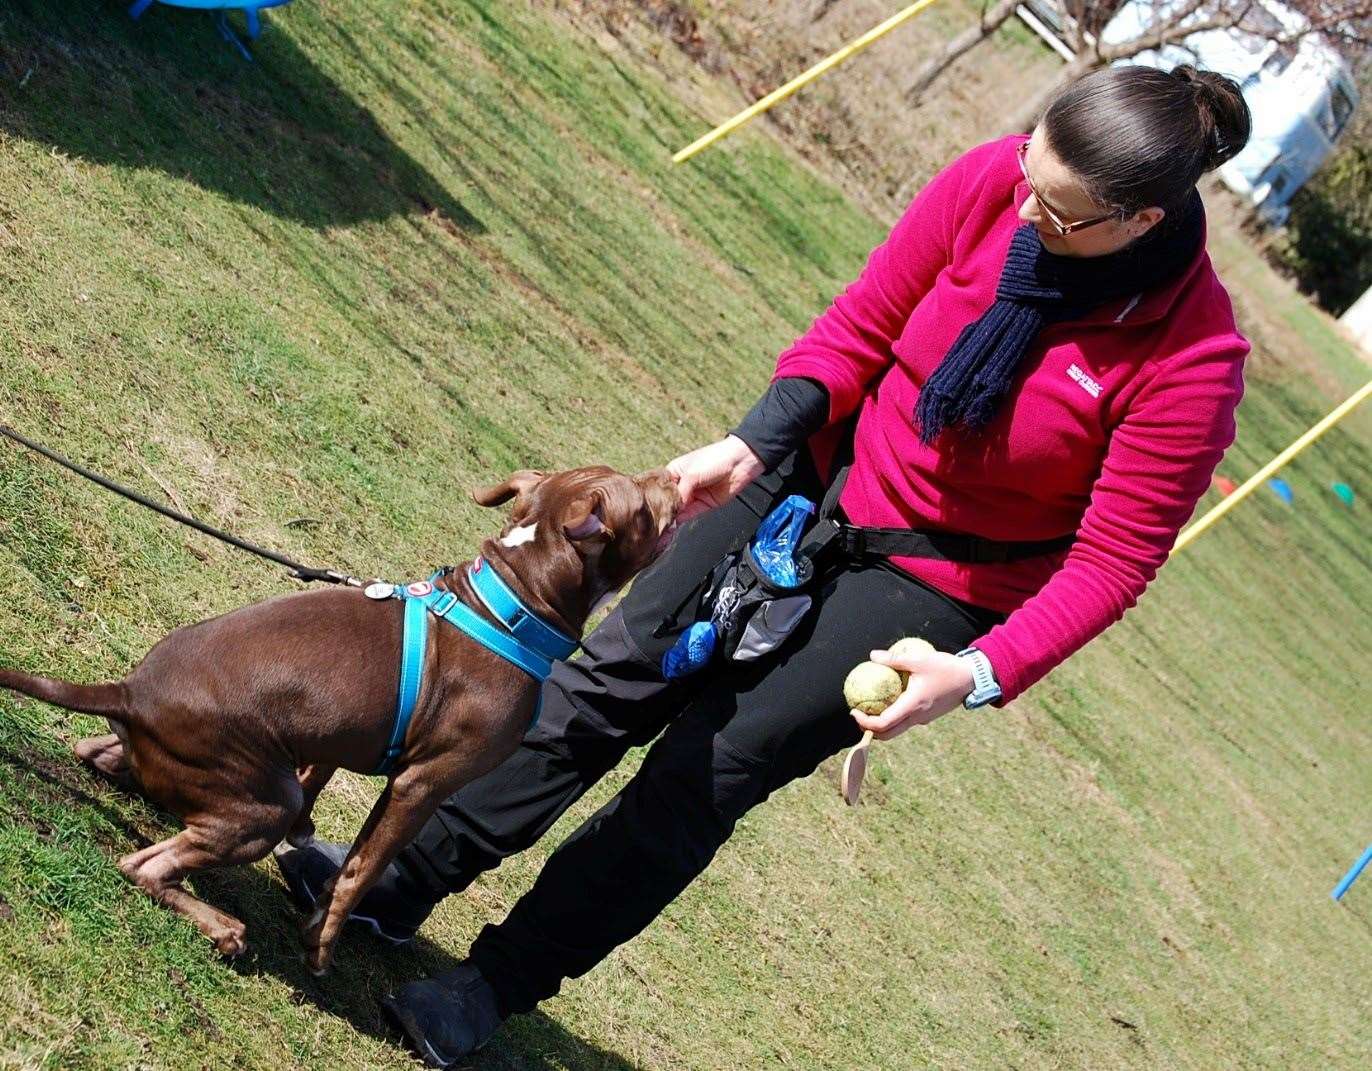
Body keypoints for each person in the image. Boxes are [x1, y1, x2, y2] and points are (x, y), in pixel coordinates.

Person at [276, 63, 1253, 1065]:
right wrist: (754, 441)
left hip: (933, 579)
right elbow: (862, 326)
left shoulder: (1194, 360)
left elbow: (1112, 562)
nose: (1021, 199)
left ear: (1135, 222)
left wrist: (974, 675)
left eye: (1054, 206)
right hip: (809, 476)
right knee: (607, 680)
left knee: (701, 778)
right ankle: (398, 883)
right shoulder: (986, 182)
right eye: (1028, 164)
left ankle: (492, 985)